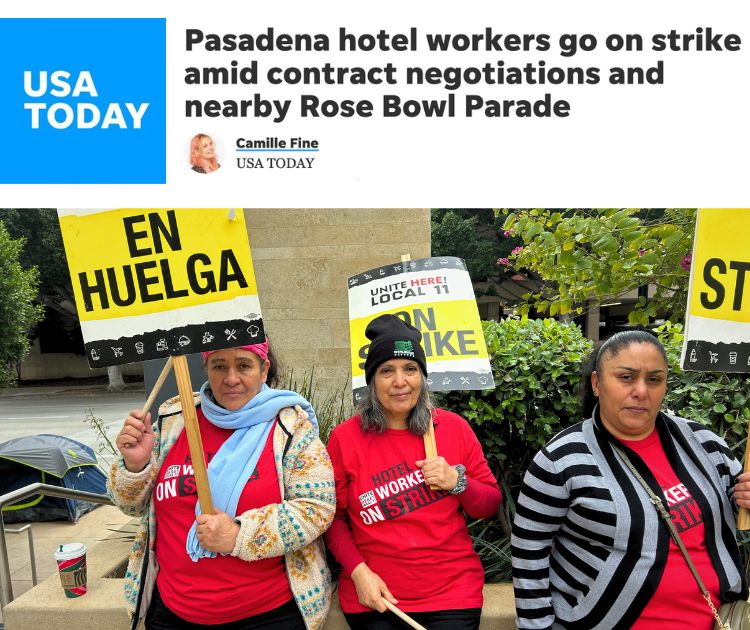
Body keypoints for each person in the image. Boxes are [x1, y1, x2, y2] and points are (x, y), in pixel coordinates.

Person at [512, 330, 750, 629]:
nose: (641, 391)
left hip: (715, 622)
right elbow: (528, 555)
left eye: (654, 379)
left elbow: (737, 508)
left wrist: (744, 497)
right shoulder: (561, 460)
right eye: (626, 377)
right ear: (597, 383)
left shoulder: (703, 443)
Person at [108, 340, 335, 630]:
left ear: (263, 370)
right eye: (219, 366)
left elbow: (317, 508)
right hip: (170, 614)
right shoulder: (174, 419)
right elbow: (130, 505)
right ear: (206, 368)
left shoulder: (290, 427)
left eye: (243, 365)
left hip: (267, 615)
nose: (231, 378)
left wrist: (240, 534)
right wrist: (135, 466)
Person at [325, 314, 502, 630]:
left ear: (422, 375)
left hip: (452, 594)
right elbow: (333, 519)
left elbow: (489, 504)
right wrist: (359, 572)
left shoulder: (453, 429)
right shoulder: (345, 438)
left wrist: (457, 482)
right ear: (372, 380)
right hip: (376, 595)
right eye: (386, 371)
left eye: (410, 369)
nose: (400, 381)